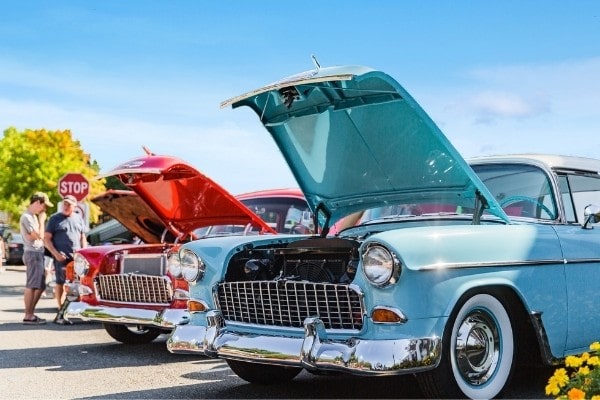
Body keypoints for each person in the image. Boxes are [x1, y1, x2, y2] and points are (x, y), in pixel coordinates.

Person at [44, 194, 87, 324]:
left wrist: (84, 252)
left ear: (75, 205)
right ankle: (60, 309)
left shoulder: (78, 218)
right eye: (65, 203)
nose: (66, 206)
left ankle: (73, 309)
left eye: (69, 204)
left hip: (76, 258)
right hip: (61, 257)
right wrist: (55, 253)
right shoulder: (54, 219)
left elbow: (82, 237)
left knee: (77, 284)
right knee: (61, 283)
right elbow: (46, 239)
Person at [20, 192, 53, 324]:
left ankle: (30, 313)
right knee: (32, 284)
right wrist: (42, 220)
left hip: (37, 252)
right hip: (32, 253)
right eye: (44, 205)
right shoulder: (27, 217)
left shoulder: (32, 216)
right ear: (38, 202)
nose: (44, 209)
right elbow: (39, 235)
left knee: (40, 285)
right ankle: (28, 315)